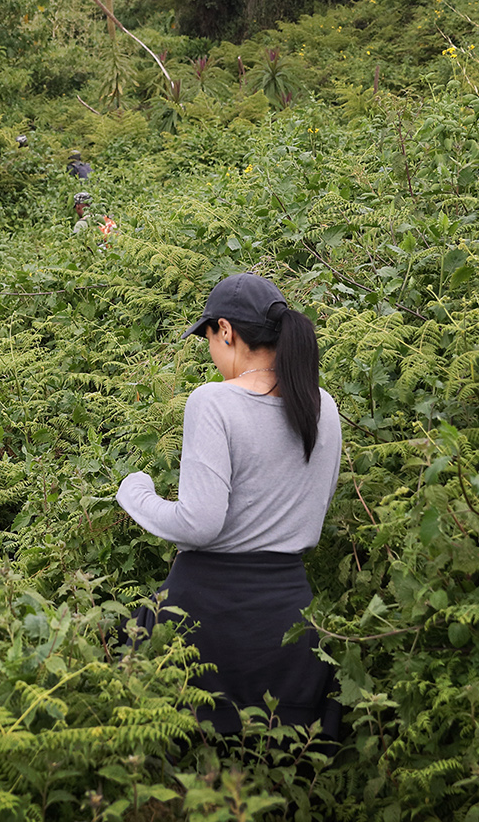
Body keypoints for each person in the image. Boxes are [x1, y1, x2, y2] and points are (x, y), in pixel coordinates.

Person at [115, 272, 342, 738]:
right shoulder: (324, 406)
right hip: (292, 623)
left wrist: (135, 493)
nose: (213, 357)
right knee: (284, 765)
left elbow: (199, 525)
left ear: (225, 330)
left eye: (209, 341)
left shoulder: (213, 402)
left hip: (207, 614)